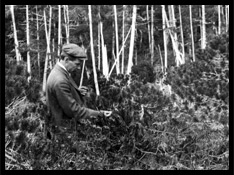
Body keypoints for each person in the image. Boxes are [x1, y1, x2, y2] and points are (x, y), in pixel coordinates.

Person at [45, 43, 111, 136]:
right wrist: (100, 114)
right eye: (77, 64)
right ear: (66, 59)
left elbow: (60, 96)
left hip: (60, 128)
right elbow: (74, 111)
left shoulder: (59, 72)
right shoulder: (60, 80)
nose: (79, 67)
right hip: (63, 132)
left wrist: (75, 91)